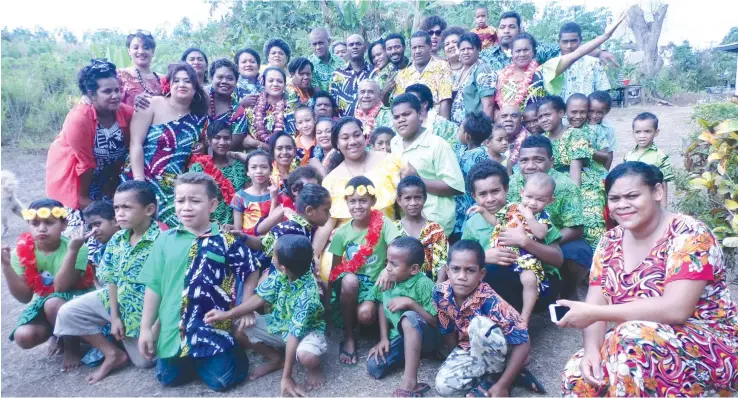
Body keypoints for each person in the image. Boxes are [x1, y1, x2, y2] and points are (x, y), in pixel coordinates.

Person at [559, 162, 738, 397]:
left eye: (632, 196)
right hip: (638, 339)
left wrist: (594, 313)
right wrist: (592, 349)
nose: (622, 205)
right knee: (578, 373)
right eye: (615, 199)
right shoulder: (609, 241)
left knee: (631, 342)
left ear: (657, 192)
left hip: (706, 345)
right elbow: (595, 303)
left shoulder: (689, 234)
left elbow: (675, 310)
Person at [137, 172, 254, 391]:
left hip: (211, 330)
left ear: (212, 205)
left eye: (195, 201)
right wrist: (146, 328)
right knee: (166, 379)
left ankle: (228, 354)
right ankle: (192, 360)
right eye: (180, 201)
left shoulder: (226, 241)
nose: (186, 207)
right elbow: (154, 286)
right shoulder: (165, 240)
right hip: (173, 330)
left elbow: (250, 270)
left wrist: (245, 308)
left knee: (223, 381)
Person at [53, 181, 160, 383]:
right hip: (118, 302)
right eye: (117, 208)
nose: (119, 213)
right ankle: (112, 353)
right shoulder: (118, 239)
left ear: (149, 209)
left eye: (127, 207)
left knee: (145, 362)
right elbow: (111, 279)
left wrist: (153, 328)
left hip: (146, 316)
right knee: (68, 312)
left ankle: (131, 343)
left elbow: (169, 291)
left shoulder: (163, 241)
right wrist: (114, 317)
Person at [205, 235, 327, 396]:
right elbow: (260, 297)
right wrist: (227, 314)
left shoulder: (308, 295)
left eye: (274, 256)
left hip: (306, 333)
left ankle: (314, 367)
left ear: (283, 267)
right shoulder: (282, 273)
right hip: (280, 323)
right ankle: (276, 359)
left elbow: (293, 334)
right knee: (239, 328)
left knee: (307, 357)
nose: (272, 257)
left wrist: (287, 377)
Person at [464, 159, 564, 320]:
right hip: (496, 280)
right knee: (480, 274)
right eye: (482, 194)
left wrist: (526, 242)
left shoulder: (529, 213)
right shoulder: (472, 224)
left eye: (495, 191)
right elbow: (462, 257)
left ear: (507, 189)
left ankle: (520, 323)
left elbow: (558, 260)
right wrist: (482, 257)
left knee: (496, 274)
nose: (490, 199)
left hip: (536, 280)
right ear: (474, 196)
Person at [4, 198, 93, 371]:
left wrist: (73, 250)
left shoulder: (76, 247)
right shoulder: (20, 252)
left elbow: (61, 288)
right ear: (28, 224)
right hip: (48, 304)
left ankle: (71, 344)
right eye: (35, 223)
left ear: (64, 224)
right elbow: (24, 297)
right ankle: (58, 333)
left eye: (49, 223)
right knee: (23, 337)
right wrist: (6, 266)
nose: (42, 228)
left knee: (53, 302)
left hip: (77, 300)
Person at [433, 240, 531, 397]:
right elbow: (447, 329)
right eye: (456, 269)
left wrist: (503, 385)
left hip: (502, 349)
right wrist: (454, 359)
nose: (462, 277)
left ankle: (499, 378)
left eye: (470, 270)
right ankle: (498, 377)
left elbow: (524, 343)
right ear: (448, 270)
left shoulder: (491, 301)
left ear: (481, 274)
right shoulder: (440, 293)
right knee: (444, 387)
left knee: (478, 323)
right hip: (470, 347)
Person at [120, 62, 207, 228]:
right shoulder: (151, 104)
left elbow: (196, 150)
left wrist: (199, 147)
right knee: (137, 227)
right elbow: (135, 143)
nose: (182, 85)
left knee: (171, 229)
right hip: (140, 175)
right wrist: (140, 182)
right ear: (170, 84)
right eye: (177, 81)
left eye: (187, 81)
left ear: (195, 87)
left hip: (172, 184)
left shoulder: (199, 117)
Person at [314, 117, 401, 281]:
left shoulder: (389, 161)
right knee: (329, 267)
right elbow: (327, 224)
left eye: (356, 135)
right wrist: (314, 256)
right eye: (345, 138)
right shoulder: (331, 180)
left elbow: (406, 203)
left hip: (386, 237)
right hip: (349, 243)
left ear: (365, 137)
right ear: (337, 145)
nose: (352, 141)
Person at [327, 176, 401, 366]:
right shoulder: (342, 233)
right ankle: (349, 336)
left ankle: (374, 327)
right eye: (353, 201)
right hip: (351, 286)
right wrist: (327, 305)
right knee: (350, 280)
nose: (358, 206)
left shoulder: (384, 224)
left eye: (363, 201)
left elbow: (397, 248)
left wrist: (388, 268)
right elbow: (335, 271)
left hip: (377, 285)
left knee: (365, 315)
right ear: (347, 203)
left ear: (373, 202)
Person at [47, 59, 132, 220]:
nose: (115, 96)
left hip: (107, 181)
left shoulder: (125, 113)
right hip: (78, 183)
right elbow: (84, 165)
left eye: (117, 90)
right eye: (107, 91)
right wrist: (85, 201)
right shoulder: (79, 119)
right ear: (91, 94)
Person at [508, 136, 591, 301]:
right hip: (518, 238)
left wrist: (543, 245)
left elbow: (576, 228)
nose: (530, 166)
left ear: (551, 161)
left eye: (538, 160)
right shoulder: (512, 183)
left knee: (579, 252)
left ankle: (568, 289)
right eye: (524, 160)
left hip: (555, 240)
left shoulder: (565, 186)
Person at [495, 13, 625, 110]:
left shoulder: (544, 70)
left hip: (538, 132)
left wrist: (605, 36)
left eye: (526, 50)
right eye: (518, 51)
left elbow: (576, 54)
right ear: (511, 53)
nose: (522, 54)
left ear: (534, 52)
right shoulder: (501, 75)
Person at [367, 237, 440, 397]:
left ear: (413, 269)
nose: (388, 268)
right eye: (387, 262)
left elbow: (436, 322)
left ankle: (409, 383)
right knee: (374, 366)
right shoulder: (388, 277)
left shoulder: (424, 284)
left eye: (394, 264)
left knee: (409, 317)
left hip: (428, 338)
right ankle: (412, 355)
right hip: (401, 337)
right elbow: (381, 304)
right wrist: (384, 338)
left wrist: (410, 303)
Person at [485, 172, 558, 323]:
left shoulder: (542, 216)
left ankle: (525, 316)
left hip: (525, 257)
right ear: (522, 192)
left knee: (530, 280)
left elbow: (540, 233)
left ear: (550, 201)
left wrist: (529, 216)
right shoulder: (511, 208)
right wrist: (483, 212)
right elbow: (496, 222)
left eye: (540, 200)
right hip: (503, 252)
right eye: (529, 197)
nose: (532, 203)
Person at [390, 94, 465, 236]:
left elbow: (455, 187)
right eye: (396, 117)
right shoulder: (394, 143)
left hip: (434, 224)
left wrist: (418, 180)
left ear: (420, 114)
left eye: (406, 114)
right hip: (406, 224)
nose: (401, 120)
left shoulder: (437, 145)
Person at [539, 95, 605, 250]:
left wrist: (572, 197)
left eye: (547, 115)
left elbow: (575, 170)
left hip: (581, 184)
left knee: (591, 226)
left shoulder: (575, 134)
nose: (543, 119)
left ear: (561, 113)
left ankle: (598, 266)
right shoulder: (543, 139)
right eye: (540, 116)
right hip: (554, 184)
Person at [236, 183, 331, 275]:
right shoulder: (288, 229)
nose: (329, 215)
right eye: (326, 210)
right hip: (277, 283)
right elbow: (263, 244)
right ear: (309, 211)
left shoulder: (307, 229)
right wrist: (243, 237)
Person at [480, 11, 618, 73]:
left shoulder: (538, 49)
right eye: (502, 27)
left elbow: (568, 48)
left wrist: (599, 52)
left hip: (533, 113)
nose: (506, 31)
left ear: (520, 30)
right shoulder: (486, 55)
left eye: (511, 27)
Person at [188, 120, 246, 226]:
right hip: (207, 229)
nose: (222, 142)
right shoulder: (198, 169)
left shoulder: (240, 168)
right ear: (209, 141)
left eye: (226, 138)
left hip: (238, 228)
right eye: (217, 137)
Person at [395, 176, 448, 281]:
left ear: (425, 198)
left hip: (429, 286)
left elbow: (442, 263)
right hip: (399, 285)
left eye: (417, 197)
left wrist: (438, 286)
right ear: (399, 200)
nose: (413, 203)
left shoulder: (435, 229)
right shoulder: (393, 229)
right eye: (408, 198)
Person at [393, 31, 452, 119]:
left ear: (430, 47)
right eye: (414, 48)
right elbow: (399, 106)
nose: (417, 51)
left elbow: (445, 101)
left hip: (435, 123)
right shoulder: (402, 75)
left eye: (421, 47)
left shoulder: (442, 67)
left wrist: (442, 128)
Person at [377, 83, 458, 146]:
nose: (401, 119)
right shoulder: (396, 124)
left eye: (414, 100)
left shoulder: (443, 126)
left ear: (425, 103)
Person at [623, 112, 674, 208]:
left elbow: (663, 181)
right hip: (632, 201)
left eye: (647, 131)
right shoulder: (628, 156)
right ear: (633, 133)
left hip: (651, 200)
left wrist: (663, 205)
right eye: (638, 132)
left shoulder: (660, 156)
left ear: (656, 132)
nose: (642, 136)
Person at [454, 112, 492, 238]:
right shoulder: (463, 150)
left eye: (460, 129)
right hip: (462, 203)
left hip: (471, 203)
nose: (457, 131)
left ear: (467, 136)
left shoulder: (478, 156)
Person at [230, 151, 283, 236]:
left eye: (264, 167)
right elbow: (238, 230)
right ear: (247, 171)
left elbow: (273, 225)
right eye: (253, 167)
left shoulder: (279, 195)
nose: (259, 171)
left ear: (271, 170)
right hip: (248, 245)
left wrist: (274, 198)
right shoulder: (240, 197)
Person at [558, 22, 611, 101]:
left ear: (580, 41)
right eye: (565, 41)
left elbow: (603, 96)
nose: (569, 46)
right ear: (558, 41)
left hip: (586, 113)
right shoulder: (549, 64)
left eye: (573, 41)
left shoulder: (594, 64)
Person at [451, 32, 496, 124]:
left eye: (469, 49)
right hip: (459, 130)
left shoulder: (483, 70)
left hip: (475, 129)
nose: (465, 52)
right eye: (462, 49)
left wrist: (484, 133)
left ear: (478, 50)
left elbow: (488, 105)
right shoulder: (459, 72)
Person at [330, 34, 377, 117]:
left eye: (358, 44)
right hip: (344, 125)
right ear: (347, 49)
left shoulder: (375, 72)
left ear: (365, 47)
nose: (354, 47)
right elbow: (332, 104)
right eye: (351, 45)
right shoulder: (337, 75)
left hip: (371, 123)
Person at [245, 66, 292, 148]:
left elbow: (292, 140)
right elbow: (245, 141)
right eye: (270, 80)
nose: (275, 84)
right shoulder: (251, 106)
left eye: (279, 81)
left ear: (284, 85)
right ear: (264, 83)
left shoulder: (290, 109)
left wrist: (256, 144)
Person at [206, 58, 248, 150]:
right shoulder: (199, 99)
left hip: (223, 158)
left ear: (236, 82)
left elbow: (230, 145)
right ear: (211, 78)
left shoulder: (238, 112)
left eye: (230, 78)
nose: (224, 81)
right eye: (220, 77)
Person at [117, 30, 162, 107]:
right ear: (129, 51)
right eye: (135, 48)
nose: (141, 51)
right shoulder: (119, 75)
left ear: (153, 51)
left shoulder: (163, 79)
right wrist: (132, 102)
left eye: (146, 48)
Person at [81, 201, 120, 286]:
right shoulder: (96, 247)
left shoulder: (125, 244)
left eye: (98, 224)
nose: (93, 231)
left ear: (115, 221)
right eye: (91, 227)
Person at [377, 33, 411, 105]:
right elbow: (379, 105)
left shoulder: (414, 66)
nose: (393, 51)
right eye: (389, 49)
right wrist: (385, 90)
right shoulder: (383, 75)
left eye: (397, 47)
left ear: (404, 47)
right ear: (386, 51)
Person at [587, 90, 616, 171]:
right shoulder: (580, 122)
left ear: (607, 111)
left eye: (599, 112)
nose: (594, 116)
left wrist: (605, 176)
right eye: (591, 111)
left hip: (597, 168)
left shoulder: (609, 128)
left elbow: (609, 155)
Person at [309, 27, 344, 92]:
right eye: (314, 44)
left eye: (321, 43)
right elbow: (317, 94)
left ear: (329, 41)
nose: (318, 47)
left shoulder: (340, 62)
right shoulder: (308, 65)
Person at [498, 104, 530, 173]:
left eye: (514, 116)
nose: (508, 119)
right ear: (497, 120)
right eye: (504, 116)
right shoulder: (489, 142)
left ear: (521, 120)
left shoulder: (531, 141)